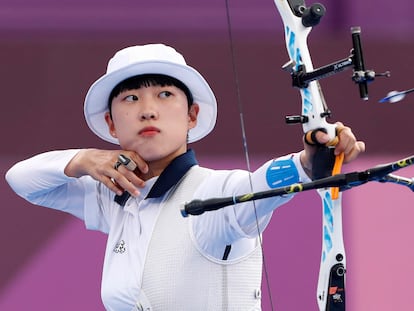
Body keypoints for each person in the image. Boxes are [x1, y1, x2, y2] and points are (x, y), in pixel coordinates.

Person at [5, 43, 364, 311]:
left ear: (191, 115)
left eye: (164, 95)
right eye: (130, 98)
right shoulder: (113, 195)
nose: (147, 110)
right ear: (111, 124)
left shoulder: (214, 194)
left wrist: (307, 163)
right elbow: (21, 179)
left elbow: (260, 185)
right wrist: (84, 159)